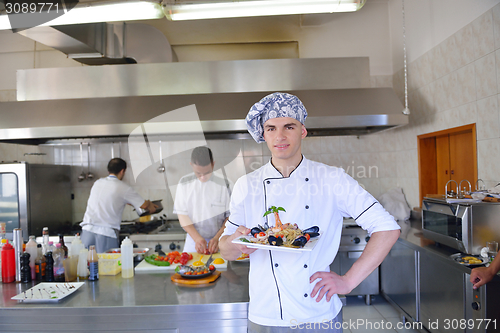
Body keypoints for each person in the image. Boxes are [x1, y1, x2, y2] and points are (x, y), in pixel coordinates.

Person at [219, 92, 401, 332]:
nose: (280, 136)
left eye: (289, 126)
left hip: (318, 314)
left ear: (302, 130)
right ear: (263, 134)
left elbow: (387, 228)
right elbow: (225, 249)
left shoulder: (332, 178)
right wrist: (236, 243)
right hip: (264, 315)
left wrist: (348, 282)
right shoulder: (246, 184)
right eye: (271, 128)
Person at [80, 158, 158, 253]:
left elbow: (110, 198)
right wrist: (150, 204)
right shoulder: (123, 187)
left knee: (86, 265)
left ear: (109, 170)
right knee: (108, 265)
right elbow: (144, 205)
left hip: (87, 231)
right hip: (106, 233)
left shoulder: (98, 182)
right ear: (122, 171)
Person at [173, 146, 232, 254]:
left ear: (213, 164)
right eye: (198, 173)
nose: (203, 177)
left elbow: (230, 217)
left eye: (207, 172)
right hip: (193, 241)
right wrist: (197, 239)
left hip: (220, 240)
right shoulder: (184, 183)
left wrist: (217, 238)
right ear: (191, 165)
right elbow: (182, 215)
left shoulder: (225, 184)